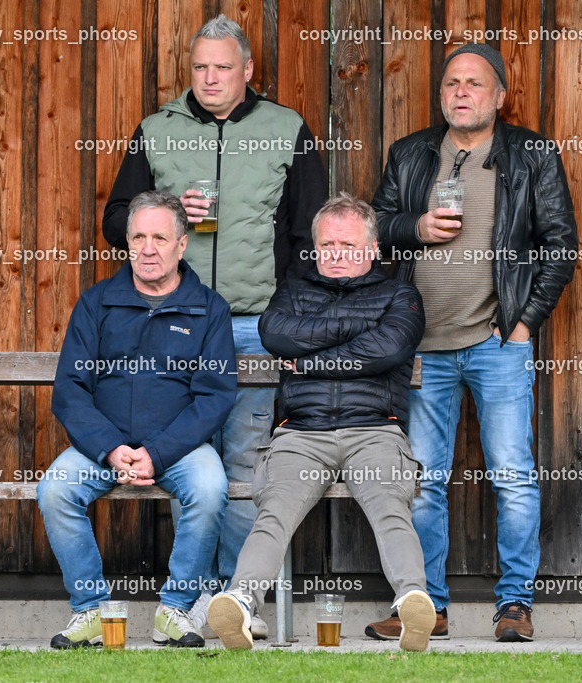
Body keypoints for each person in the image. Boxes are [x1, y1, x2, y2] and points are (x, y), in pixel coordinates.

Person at [102, 14, 326, 637]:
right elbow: (115, 217)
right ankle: (192, 602)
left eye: (222, 67)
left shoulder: (288, 129)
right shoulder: (157, 130)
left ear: (247, 69)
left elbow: (310, 233)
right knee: (187, 458)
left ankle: (237, 602)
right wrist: (171, 211)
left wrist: (290, 317)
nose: (210, 79)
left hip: (255, 326)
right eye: (199, 67)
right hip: (179, 320)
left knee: (246, 463)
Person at [369, 43, 578, 642]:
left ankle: (515, 605)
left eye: (475, 83)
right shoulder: (410, 154)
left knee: (512, 474)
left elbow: (559, 244)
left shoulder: (531, 153)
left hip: (497, 344)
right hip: (422, 347)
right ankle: (427, 606)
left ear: (500, 97)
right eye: (452, 83)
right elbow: (377, 229)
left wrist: (522, 324)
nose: (462, 91)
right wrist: (416, 226)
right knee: (425, 481)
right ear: (442, 95)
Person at [206, 193, 435, 651]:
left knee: (391, 508)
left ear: (373, 249)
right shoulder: (292, 290)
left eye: (349, 246)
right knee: (272, 514)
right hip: (301, 433)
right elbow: (275, 335)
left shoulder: (400, 293)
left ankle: (412, 602)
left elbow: (386, 351)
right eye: (328, 245)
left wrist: (308, 361)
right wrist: (354, 327)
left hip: (374, 428)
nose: (337, 255)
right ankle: (240, 603)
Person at [38, 190, 236, 648]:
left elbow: (215, 396)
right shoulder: (97, 303)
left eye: (160, 238)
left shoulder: (210, 309)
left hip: (178, 447)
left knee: (209, 488)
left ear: (181, 245)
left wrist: (158, 452)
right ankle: (89, 612)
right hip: (104, 446)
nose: (149, 248)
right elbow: (70, 390)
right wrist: (110, 448)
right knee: (54, 488)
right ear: (127, 242)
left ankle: (175, 610)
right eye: (139, 237)